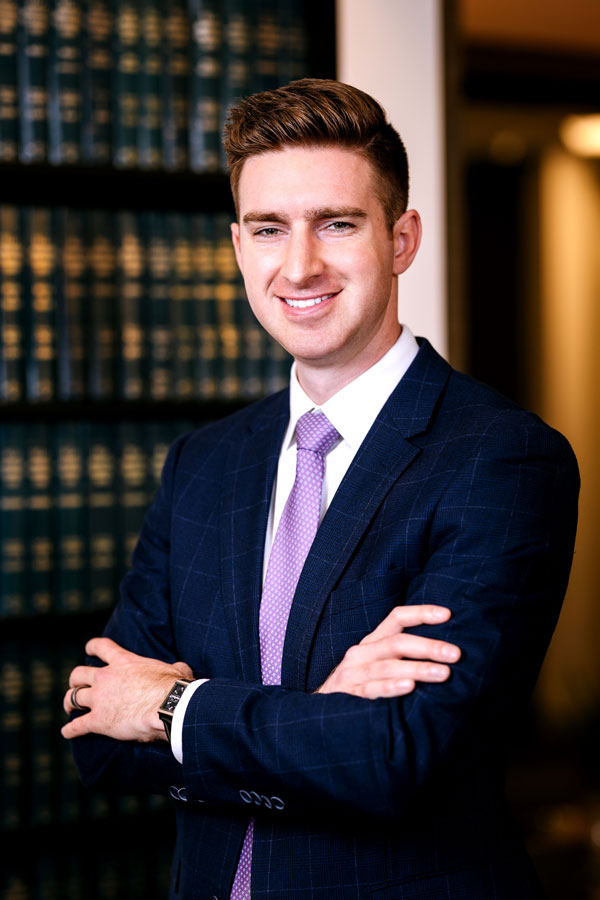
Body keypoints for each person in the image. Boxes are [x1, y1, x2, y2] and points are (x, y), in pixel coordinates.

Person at [62, 79, 579, 899]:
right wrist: (315, 719)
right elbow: (97, 735)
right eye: (270, 229)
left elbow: (393, 758)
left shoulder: (501, 460)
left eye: (337, 224)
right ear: (238, 247)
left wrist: (172, 712)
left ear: (402, 238)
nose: (299, 265)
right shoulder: (205, 462)